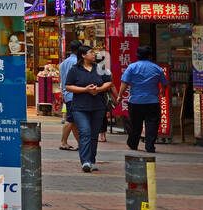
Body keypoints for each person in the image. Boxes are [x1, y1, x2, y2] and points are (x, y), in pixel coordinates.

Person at [64, 43, 111, 172]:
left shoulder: (100, 68)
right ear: (83, 55)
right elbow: (68, 86)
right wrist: (85, 89)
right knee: (85, 132)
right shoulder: (75, 69)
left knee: (94, 135)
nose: (94, 54)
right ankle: (85, 161)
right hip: (80, 107)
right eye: (91, 52)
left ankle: (92, 160)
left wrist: (99, 89)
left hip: (98, 106)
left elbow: (109, 81)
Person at [121, 45, 169, 154]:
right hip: (152, 101)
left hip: (135, 101)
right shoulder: (157, 68)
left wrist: (119, 96)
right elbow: (164, 83)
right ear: (150, 56)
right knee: (152, 123)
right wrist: (162, 91)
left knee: (135, 124)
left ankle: (133, 143)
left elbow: (124, 83)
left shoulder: (132, 67)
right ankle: (150, 145)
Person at [58, 40, 82, 150]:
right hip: (75, 94)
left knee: (73, 120)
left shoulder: (63, 63)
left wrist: (63, 92)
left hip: (67, 94)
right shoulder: (78, 62)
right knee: (70, 119)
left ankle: (80, 144)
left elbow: (62, 80)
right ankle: (63, 142)